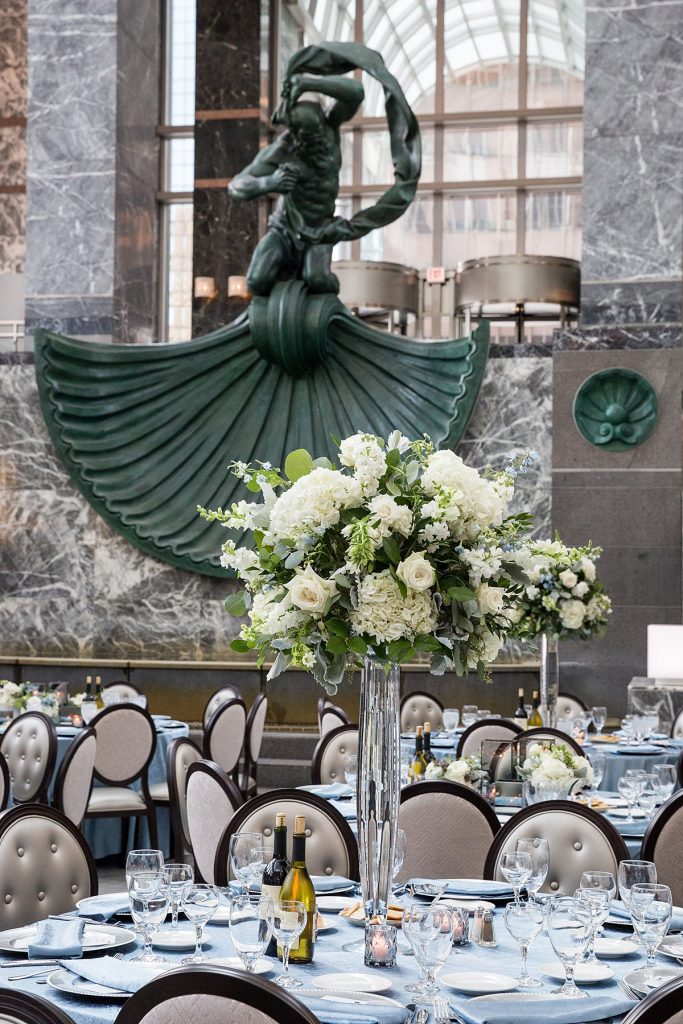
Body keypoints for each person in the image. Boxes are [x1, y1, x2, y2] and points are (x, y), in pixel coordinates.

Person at [228, 73, 364, 296]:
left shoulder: (332, 127)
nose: (310, 139)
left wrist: (310, 83)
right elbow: (236, 185)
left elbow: (356, 92)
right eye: (303, 133)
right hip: (285, 229)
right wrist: (268, 182)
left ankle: (330, 312)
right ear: (294, 130)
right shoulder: (285, 147)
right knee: (256, 281)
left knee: (317, 278)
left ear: (322, 120)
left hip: (319, 229)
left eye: (315, 131)